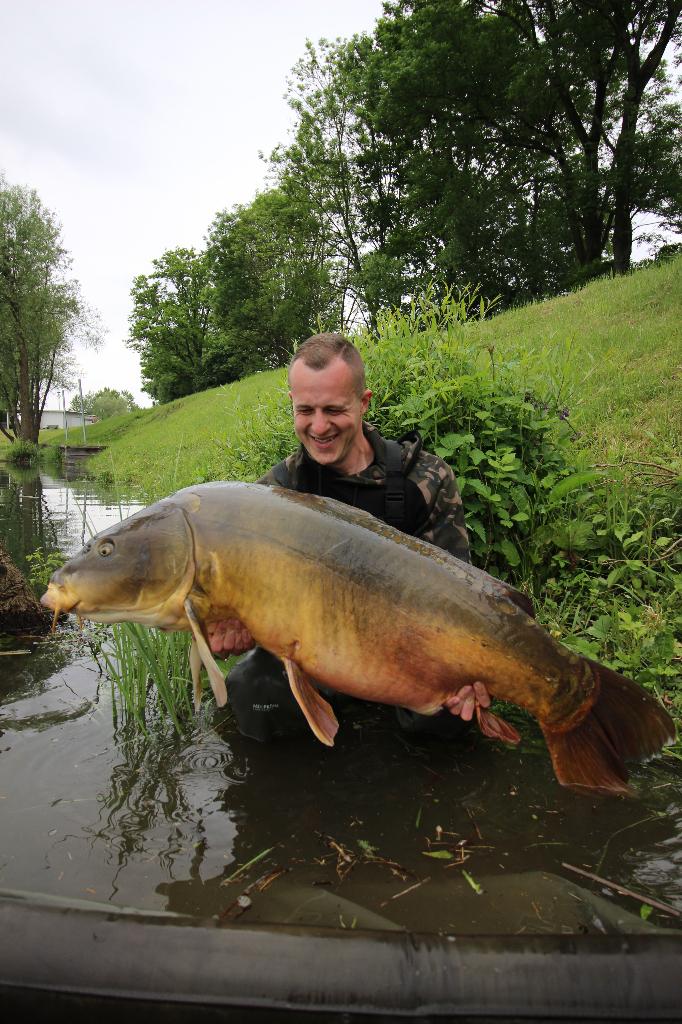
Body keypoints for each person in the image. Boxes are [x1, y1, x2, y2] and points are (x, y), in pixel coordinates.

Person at [207, 333, 490, 741]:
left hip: (406, 653)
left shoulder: (424, 477)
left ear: (363, 402)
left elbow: (460, 593)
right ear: (292, 404)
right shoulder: (277, 492)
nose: (319, 426)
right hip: (314, 653)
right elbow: (243, 592)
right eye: (305, 410)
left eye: (334, 410)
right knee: (254, 692)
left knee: (448, 720)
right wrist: (232, 624)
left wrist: (468, 666)